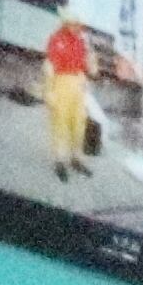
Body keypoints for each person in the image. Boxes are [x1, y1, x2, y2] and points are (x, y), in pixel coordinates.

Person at [44, 13, 94, 178]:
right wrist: (49, 91)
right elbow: (49, 66)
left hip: (78, 84)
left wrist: (90, 60)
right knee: (60, 123)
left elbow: (88, 68)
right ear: (66, 23)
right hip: (61, 83)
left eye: (79, 24)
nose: (77, 27)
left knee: (79, 124)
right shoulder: (56, 39)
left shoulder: (81, 41)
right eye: (73, 24)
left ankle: (76, 158)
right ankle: (60, 161)